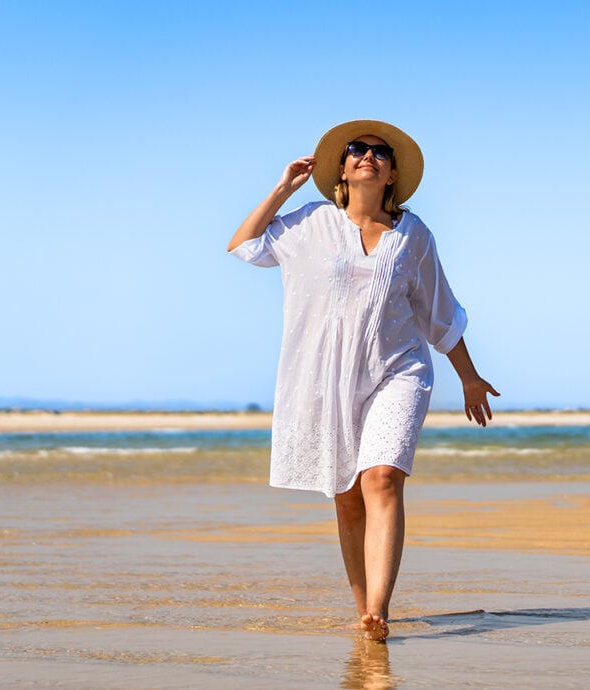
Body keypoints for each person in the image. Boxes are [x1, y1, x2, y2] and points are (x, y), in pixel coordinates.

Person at [227, 119, 498, 641]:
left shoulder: (413, 235)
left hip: (399, 372)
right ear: (343, 169)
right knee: (347, 495)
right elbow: (244, 245)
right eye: (357, 149)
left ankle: (380, 607)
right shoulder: (309, 223)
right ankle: (365, 615)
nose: (368, 156)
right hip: (326, 381)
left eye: (380, 152)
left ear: (393, 173)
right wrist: (284, 188)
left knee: (382, 479)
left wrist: (468, 376)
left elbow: (438, 313)